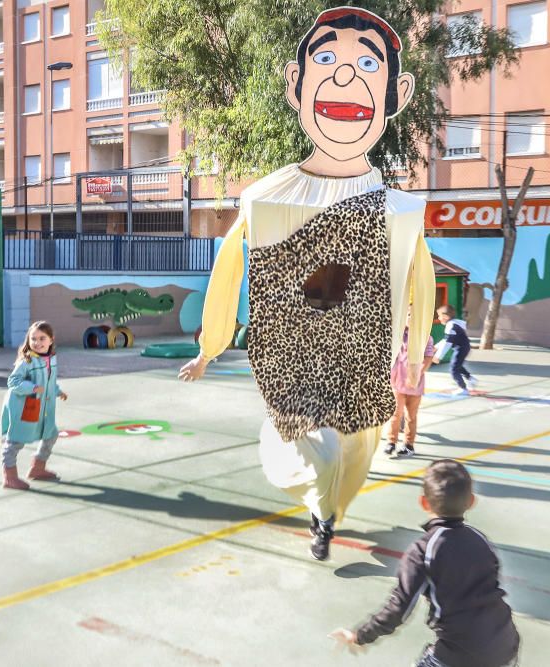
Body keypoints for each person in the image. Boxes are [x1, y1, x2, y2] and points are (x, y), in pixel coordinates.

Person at [177, 8, 436, 561]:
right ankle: (322, 512)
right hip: (291, 359)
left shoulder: (400, 211)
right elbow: (229, 270)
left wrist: (413, 355)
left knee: (353, 458)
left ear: (398, 92)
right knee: (304, 450)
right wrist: (209, 348)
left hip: (361, 363)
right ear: (296, 86)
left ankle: (328, 512)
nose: (345, 78)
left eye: (367, 64)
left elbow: (421, 283)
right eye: (326, 59)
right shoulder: (266, 198)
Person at [330, 460, 520, 667]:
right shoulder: (481, 540)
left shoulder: (423, 551)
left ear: (424, 502)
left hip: (458, 655)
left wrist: (359, 635)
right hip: (506, 644)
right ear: (471, 501)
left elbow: (399, 609)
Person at [0, 321, 68, 490]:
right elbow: (13, 381)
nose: (37, 343)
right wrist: (31, 388)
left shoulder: (50, 359)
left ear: (51, 340)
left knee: (51, 434)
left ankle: (37, 468)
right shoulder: (26, 361)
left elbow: (49, 381)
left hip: (44, 408)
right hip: (25, 407)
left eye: (42, 338)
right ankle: (9, 476)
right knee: (15, 441)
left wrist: (58, 391)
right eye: (33, 339)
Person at [385, 327, 435, 458]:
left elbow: (429, 357)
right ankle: (391, 442)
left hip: (414, 385)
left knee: (411, 416)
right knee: (396, 414)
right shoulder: (397, 334)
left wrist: (414, 376)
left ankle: (408, 445)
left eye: (412, 314)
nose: (410, 317)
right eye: (407, 314)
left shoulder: (425, 337)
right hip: (397, 383)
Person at [433, 304, 477, 396]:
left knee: (453, 369)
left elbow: (447, 343)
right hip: (463, 347)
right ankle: (470, 378)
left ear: (445, 317)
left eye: (439, 316)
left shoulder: (451, 326)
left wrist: (438, 356)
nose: (439, 318)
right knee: (457, 365)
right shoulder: (454, 323)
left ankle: (463, 388)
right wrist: (436, 347)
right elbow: (446, 339)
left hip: (461, 348)